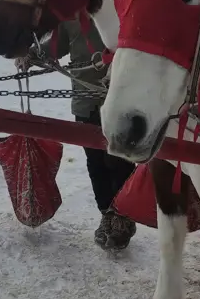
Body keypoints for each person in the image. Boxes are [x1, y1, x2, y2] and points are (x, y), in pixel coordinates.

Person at [21, 20, 137, 250]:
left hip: (123, 100)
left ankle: (123, 218)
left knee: (119, 160)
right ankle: (108, 215)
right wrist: (31, 56)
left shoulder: (122, 8)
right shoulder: (72, 17)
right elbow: (54, 46)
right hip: (86, 102)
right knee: (96, 162)